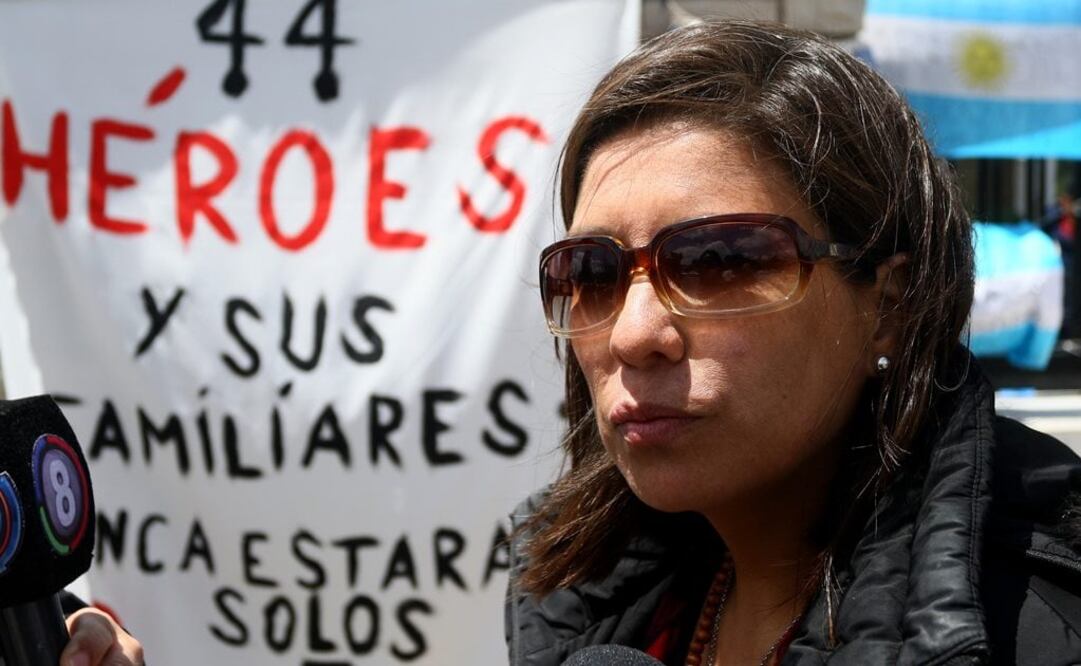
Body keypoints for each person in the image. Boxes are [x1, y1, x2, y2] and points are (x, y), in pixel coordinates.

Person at [505, 20, 1081, 666]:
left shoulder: (1036, 629)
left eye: (719, 260)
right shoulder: (585, 600)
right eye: (589, 272)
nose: (633, 334)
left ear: (888, 306)